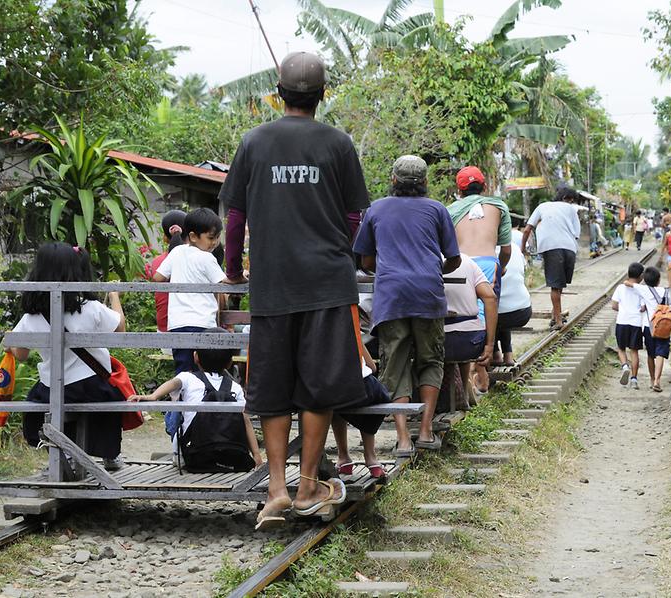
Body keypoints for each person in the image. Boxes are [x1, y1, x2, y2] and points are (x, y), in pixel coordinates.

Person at [219, 52, 370, 529]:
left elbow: (235, 217)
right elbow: (353, 217)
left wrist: (234, 271)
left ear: (279, 93)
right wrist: (335, 252)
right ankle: (308, 484)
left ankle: (277, 490)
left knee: (273, 386)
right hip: (326, 284)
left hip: (273, 284)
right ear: (322, 94)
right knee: (318, 385)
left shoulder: (254, 142)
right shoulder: (339, 144)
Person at [353, 155, 461, 456]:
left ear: (393, 180)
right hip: (427, 294)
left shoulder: (376, 209)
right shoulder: (437, 210)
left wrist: (392, 271)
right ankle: (425, 431)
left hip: (392, 297)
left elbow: (366, 260)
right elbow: (454, 258)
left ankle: (402, 438)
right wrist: (429, 272)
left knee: (395, 363)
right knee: (430, 360)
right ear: (425, 182)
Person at [9, 242, 127, 470]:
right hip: (93, 386)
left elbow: (21, 355)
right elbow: (120, 329)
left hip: (52, 389)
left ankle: (65, 453)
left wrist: (10, 346)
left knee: (48, 403)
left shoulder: (31, 317)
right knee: (110, 403)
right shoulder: (90, 307)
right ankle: (110, 455)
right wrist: (114, 296)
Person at [127, 327, 263, 468]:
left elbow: (172, 384)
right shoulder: (235, 388)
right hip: (231, 456)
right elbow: (246, 422)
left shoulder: (187, 377)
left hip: (195, 456)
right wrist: (257, 455)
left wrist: (153, 396)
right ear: (230, 363)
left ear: (196, 357)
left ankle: (177, 454)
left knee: (175, 405)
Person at [153, 208, 230, 375]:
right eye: (211, 238)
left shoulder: (176, 252)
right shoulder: (207, 258)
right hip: (203, 324)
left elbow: (158, 277)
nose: (215, 242)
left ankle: (184, 399)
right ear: (193, 236)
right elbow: (224, 283)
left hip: (178, 324)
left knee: (184, 371)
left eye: (217, 238)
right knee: (206, 371)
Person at [520, 186, 581, 330]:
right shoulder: (571, 209)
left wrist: (522, 248)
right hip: (569, 248)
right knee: (559, 285)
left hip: (551, 247)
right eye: (570, 200)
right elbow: (576, 233)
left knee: (555, 285)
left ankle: (558, 320)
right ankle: (556, 316)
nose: (570, 203)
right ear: (566, 198)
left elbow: (528, 229)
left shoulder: (543, 207)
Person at [446, 166, 512, 299]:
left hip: (460, 264)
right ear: (485, 186)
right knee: (487, 311)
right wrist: (501, 268)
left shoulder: (449, 210)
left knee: (464, 312)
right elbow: (506, 251)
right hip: (488, 264)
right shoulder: (499, 207)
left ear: (459, 191)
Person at [331, 342, 389, 481]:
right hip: (362, 388)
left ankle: (343, 456)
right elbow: (372, 367)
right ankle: (371, 457)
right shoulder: (349, 324)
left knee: (333, 405)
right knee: (374, 396)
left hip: (332, 389)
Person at [443, 254, 498, 399]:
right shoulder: (467, 261)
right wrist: (490, 345)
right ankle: (463, 391)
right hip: (470, 342)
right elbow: (490, 298)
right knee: (463, 339)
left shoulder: (421, 259)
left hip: (436, 340)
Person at [625, 267, 670, 393]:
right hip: (664, 325)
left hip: (649, 327)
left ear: (645, 279)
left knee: (651, 354)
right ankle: (657, 380)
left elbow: (627, 283)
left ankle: (651, 380)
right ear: (658, 280)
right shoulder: (665, 291)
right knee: (660, 353)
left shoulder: (644, 289)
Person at [144, 210, 186, 333]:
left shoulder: (157, 262)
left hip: (163, 331)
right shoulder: (195, 259)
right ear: (191, 236)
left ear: (164, 238)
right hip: (190, 330)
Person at [493, 241, 531, 366]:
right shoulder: (514, 247)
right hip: (522, 310)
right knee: (503, 309)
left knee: (490, 311)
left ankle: (495, 354)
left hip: (496, 314)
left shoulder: (482, 250)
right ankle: (508, 354)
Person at [611, 262, 645, 391]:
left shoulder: (620, 288)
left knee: (621, 348)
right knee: (634, 351)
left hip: (622, 321)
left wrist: (624, 309)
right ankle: (634, 380)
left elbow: (614, 306)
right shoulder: (641, 290)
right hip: (635, 323)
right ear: (641, 275)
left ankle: (625, 366)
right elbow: (642, 308)